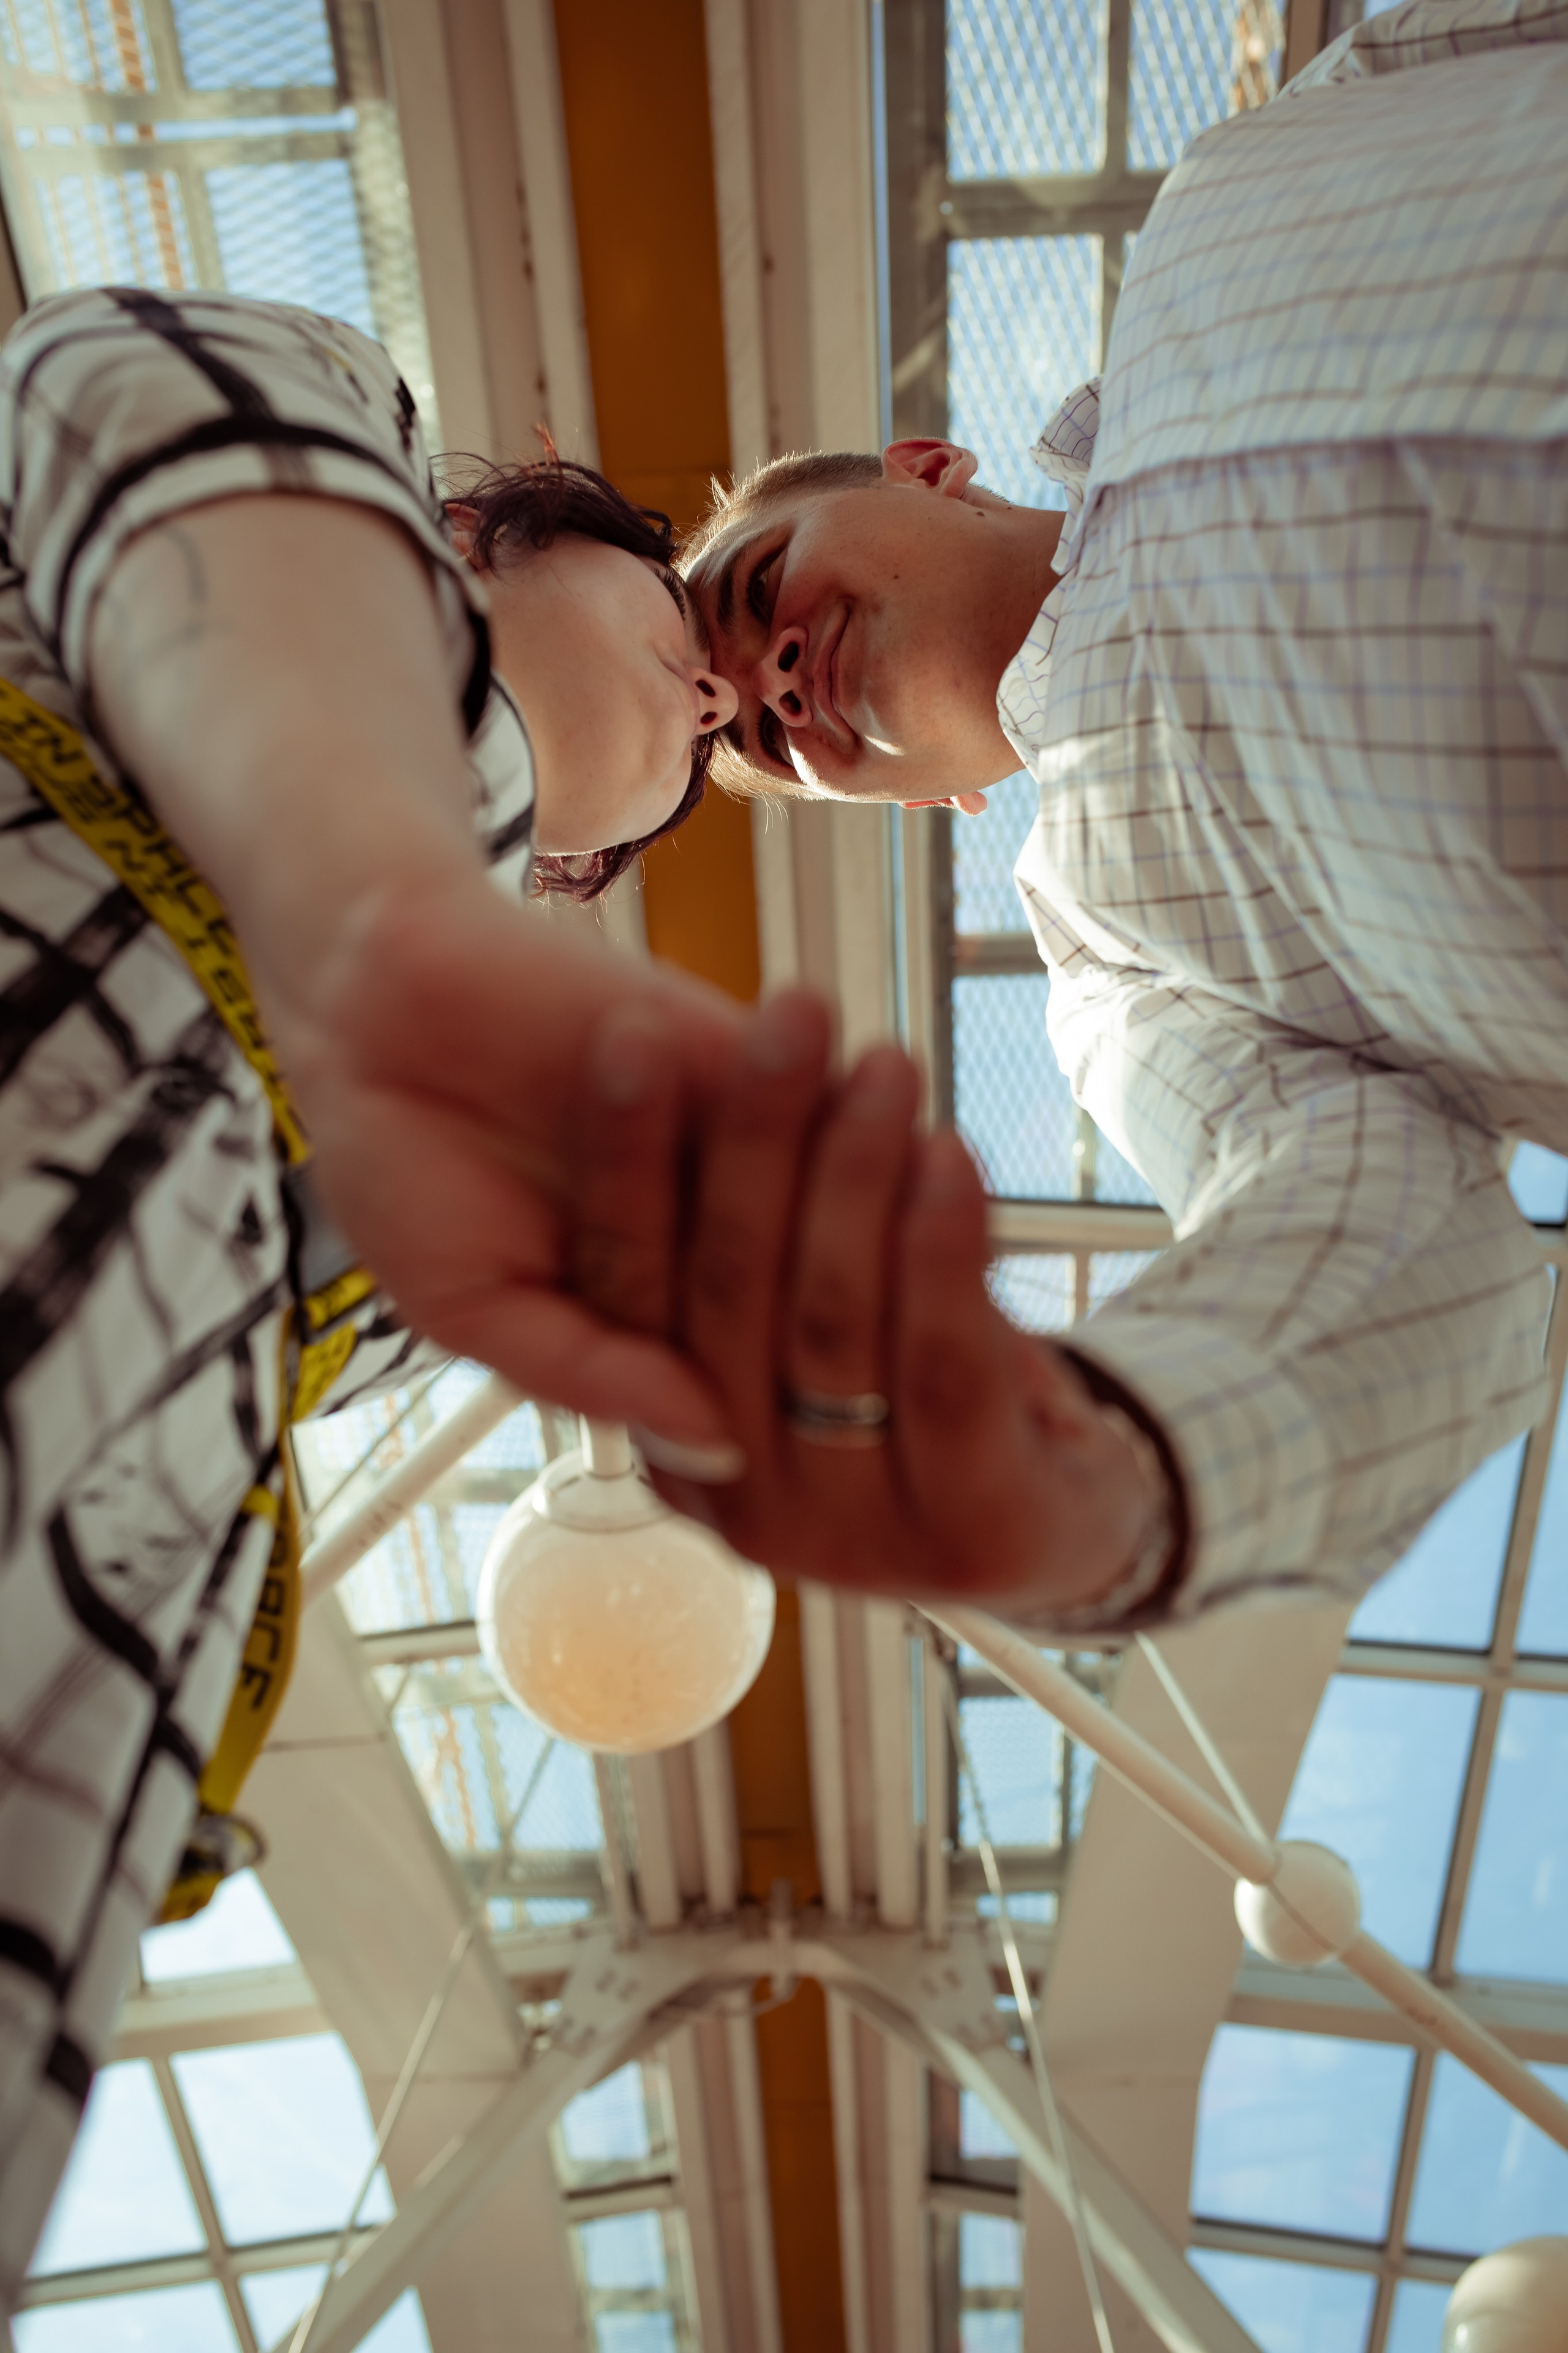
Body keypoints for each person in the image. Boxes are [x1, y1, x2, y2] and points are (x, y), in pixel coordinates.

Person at [0, 281, 758, 2303]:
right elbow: (111, 393)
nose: (716, 711)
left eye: (720, 756)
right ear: (466, 537)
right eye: (686, 624)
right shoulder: (317, 443)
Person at [639, 0, 1568, 1636]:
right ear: (933, 800)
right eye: (775, 748)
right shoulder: (1118, 973)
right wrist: (1109, 1457)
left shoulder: (1230, 200)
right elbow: (1376, 1218)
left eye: (759, 589)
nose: (778, 680)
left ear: (924, 465)